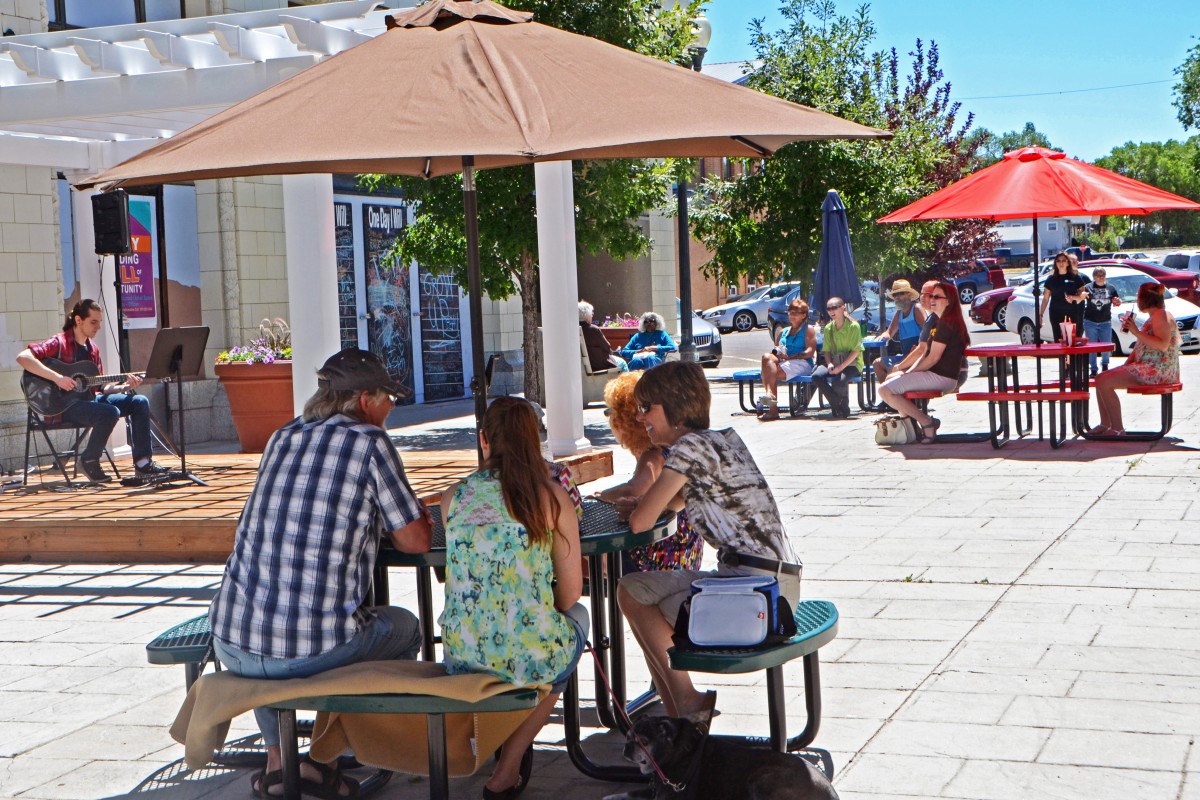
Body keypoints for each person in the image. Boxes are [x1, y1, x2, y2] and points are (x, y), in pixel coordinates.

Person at [208, 348, 432, 799]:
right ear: (366, 399)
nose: (391, 408)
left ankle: (280, 762)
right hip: (313, 652)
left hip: (231, 640)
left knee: (272, 628)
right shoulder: (370, 442)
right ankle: (333, 755)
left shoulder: (282, 435)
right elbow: (416, 541)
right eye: (390, 398)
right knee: (406, 628)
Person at [620, 362, 800, 719]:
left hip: (757, 597)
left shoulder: (689, 448)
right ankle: (679, 716)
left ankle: (685, 705)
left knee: (637, 597)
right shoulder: (721, 440)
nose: (640, 418)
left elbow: (641, 521)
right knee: (634, 589)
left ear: (674, 406)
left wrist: (633, 506)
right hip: (775, 584)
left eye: (646, 408)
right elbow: (674, 503)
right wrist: (645, 503)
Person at [439, 397, 587, 800]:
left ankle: (494, 741)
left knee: (521, 645)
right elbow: (569, 594)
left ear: (484, 440)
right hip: (526, 649)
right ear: (533, 441)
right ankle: (508, 766)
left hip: (460, 652)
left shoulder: (454, 497)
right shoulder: (552, 498)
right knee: (579, 622)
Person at [16, 299, 169, 483]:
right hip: (62, 406)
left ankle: (143, 464)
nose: (98, 327)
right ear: (79, 321)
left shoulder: (92, 349)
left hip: (89, 402)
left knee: (139, 402)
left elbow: (100, 387)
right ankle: (89, 459)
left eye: (100, 322)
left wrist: (125, 387)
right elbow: (23, 357)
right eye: (93, 322)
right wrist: (57, 378)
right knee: (109, 412)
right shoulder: (59, 342)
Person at [598, 372, 703, 572]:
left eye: (610, 413)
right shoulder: (669, 449)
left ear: (624, 421)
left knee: (582, 552)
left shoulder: (652, 456)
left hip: (660, 557)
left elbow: (634, 489)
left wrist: (601, 495)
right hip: (685, 554)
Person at [877, 281, 970, 444]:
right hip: (935, 374)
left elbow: (930, 356)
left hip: (943, 377)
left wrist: (907, 372)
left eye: (936, 296)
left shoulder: (945, 323)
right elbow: (924, 351)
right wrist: (905, 371)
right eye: (928, 295)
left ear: (949, 301)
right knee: (890, 382)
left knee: (885, 390)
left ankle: (926, 422)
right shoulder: (938, 321)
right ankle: (911, 428)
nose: (929, 299)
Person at [1091, 283, 1180, 436]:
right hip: (1151, 367)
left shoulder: (1160, 315)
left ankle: (1117, 429)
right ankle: (1106, 424)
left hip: (1159, 370)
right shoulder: (1155, 315)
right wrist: (1123, 367)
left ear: (1144, 299)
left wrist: (1135, 331)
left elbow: (1163, 345)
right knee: (1100, 378)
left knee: (1104, 381)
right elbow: (1141, 346)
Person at [756, 299, 817, 421]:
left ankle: (772, 408)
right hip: (785, 363)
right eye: (790, 313)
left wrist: (791, 357)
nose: (792, 316)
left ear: (803, 315)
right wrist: (780, 354)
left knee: (767, 372)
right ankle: (770, 396)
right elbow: (776, 349)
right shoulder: (784, 331)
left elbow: (810, 352)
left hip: (802, 363)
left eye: (795, 313)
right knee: (766, 358)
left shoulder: (808, 329)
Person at [810, 296, 862, 419]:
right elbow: (826, 350)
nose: (831, 311)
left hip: (852, 363)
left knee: (840, 379)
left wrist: (841, 368)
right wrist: (830, 364)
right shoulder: (828, 328)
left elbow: (856, 351)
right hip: (835, 361)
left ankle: (841, 407)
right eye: (828, 309)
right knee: (816, 376)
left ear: (842, 308)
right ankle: (838, 401)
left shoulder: (854, 326)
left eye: (834, 308)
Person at [872, 279, 927, 385]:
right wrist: (882, 336)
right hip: (905, 356)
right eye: (895, 295)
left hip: (918, 357)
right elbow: (889, 332)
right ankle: (889, 400)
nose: (897, 297)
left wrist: (918, 347)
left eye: (901, 294)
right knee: (877, 364)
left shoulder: (917, 309)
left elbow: (929, 333)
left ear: (909, 295)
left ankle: (895, 397)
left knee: (891, 370)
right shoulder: (899, 313)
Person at [1039, 252, 1089, 343]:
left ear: (1067, 262)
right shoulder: (1051, 279)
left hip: (1073, 311)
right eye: (1058, 261)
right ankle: (1061, 357)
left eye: (1063, 261)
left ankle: (1073, 357)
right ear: (1055, 263)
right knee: (1058, 339)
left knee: (1072, 340)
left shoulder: (1075, 277)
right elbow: (1046, 298)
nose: (1061, 263)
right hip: (1056, 312)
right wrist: (1040, 315)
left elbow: (1083, 293)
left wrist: (1074, 297)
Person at [1082, 267, 1121, 376]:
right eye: (1098, 275)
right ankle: (1093, 369)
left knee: (1106, 344)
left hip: (1105, 321)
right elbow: (1080, 296)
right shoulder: (1088, 287)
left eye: (1102, 275)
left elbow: (1117, 300)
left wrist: (1117, 301)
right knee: (1092, 346)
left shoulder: (1110, 288)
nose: (1100, 277)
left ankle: (1105, 364)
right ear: (1094, 277)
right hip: (1090, 321)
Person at [579, 300, 627, 373]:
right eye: (592, 313)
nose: (592, 314)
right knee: (622, 362)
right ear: (587, 315)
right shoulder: (593, 330)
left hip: (582, 367)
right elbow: (607, 347)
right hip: (599, 365)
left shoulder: (573, 330)